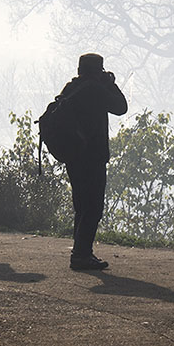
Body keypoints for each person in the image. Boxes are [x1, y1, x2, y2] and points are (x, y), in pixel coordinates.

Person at [59, 53, 128, 270]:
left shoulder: (70, 88)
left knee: (81, 205)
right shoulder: (96, 89)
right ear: (98, 71)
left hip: (73, 155)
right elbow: (120, 107)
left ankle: (81, 251)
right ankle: (81, 255)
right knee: (93, 206)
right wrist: (111, 84)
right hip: (93, 155)